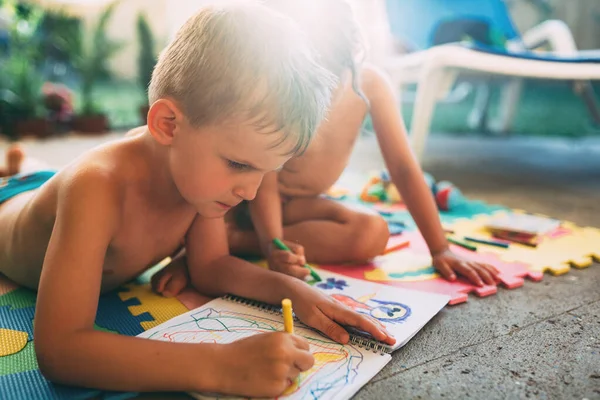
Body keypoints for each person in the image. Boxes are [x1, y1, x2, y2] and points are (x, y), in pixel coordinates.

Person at [0, 3, 394, 397]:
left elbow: (210, 267)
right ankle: (15, 166)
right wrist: (220, 365)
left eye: (265, 171)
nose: (251, 193)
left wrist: (302, 295)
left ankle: (20, 164)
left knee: (39, 179)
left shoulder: (197, 181)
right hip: (9, 209)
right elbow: (60, 350)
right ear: (168, 125)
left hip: (48, 189)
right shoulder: (95, 187)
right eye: (239, 163)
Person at [154, 0, 499, 291]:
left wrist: (441, 248)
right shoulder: (272, 88)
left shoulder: (371, 85)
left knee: (373, 233)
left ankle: (231, 243)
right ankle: (215, 247)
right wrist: (272, 246)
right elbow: (264, 176)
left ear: (349, 50)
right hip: (244, 195)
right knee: (219, 207)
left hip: (300, 207)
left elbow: (405, 170)